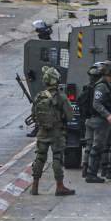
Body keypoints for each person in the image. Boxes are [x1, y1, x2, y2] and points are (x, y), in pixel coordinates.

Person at [30, 66, 76, 196]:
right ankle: (60, 186)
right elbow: (70, 115)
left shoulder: (39, 96)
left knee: (39, 158)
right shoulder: (61, 97)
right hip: (56, 133)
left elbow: (33, 115)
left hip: (42, 132)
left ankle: (35, 186)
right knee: (57, 158)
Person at [86, 58, 111, 182]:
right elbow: (96, 104)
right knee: (98, 147)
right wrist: (108, 115)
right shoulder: (101, 86)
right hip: (101, 121)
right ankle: (91, 174)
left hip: (106, 122)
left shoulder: (107, 85)